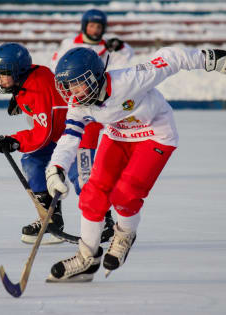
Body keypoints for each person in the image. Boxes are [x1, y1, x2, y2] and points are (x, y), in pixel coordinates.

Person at [44, 46, 226, 282]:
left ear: (95, 77)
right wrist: (56, 168)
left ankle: (124, 235)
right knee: (92, 193)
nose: (72, 93)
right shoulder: (78, 103)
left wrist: (210, 59)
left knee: (125, 195)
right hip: (118, 135)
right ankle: (86, 258)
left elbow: (171, 58)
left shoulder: (130, 80)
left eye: (77, 84)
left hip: (156, 133)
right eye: (67, 86)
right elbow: (70, 136)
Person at [0, 42, 111, 245]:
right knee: (33, 161)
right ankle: (50, 218)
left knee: (81, 177)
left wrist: (14, 140)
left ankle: (105, 222)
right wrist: (18, 96)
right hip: (58, 133)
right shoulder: (27, 79)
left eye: (3, 73)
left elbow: (42, 136)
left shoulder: (39, 89)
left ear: (18, 72)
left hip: (80, 132)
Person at [50, 8, 135, 241]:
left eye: (99, 27)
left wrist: (122, 48)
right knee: (83, 167)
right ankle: (102, 216)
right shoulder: (70, 43)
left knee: (107, 165)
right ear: (84, 26)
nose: (95, 30)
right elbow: (57, 69)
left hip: (102, 110)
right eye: (92, 26)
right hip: (81, 111)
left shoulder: (111, 48)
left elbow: (122, 69)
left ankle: (105, 214)